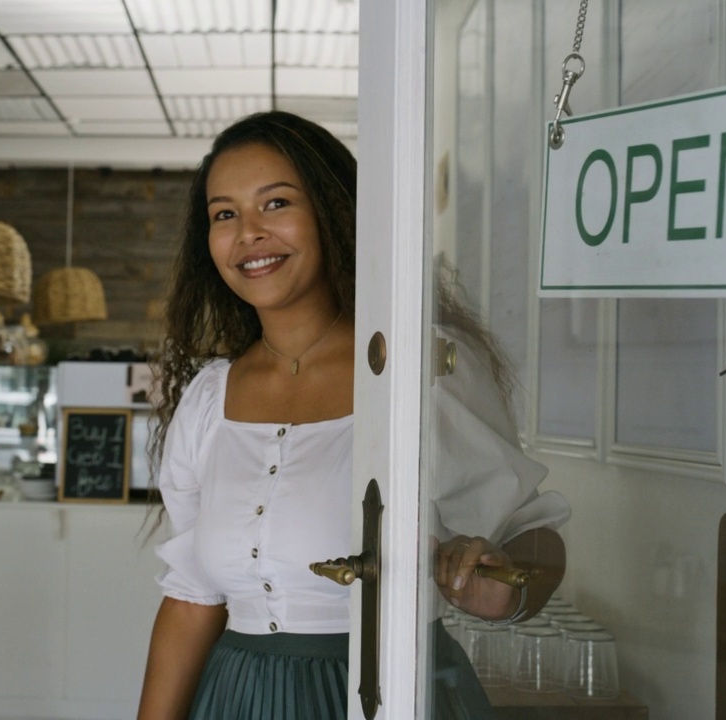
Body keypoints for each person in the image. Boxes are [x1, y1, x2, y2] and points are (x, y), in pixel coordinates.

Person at [137, 110, 569, 720]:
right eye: (225, 214)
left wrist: (501, 590)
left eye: (276, 203)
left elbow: (534, 541)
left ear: (335, 214)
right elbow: (190, 601)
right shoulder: (210, 398)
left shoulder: (422, 367)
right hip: (234, 697)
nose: (249, 234)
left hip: (388, 689)